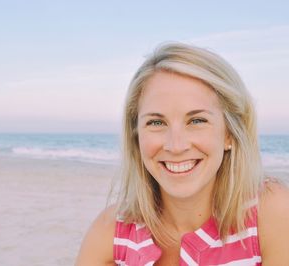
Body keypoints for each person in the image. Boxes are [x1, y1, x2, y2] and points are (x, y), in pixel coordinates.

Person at [75, 43, 289, 265]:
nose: (176, 146)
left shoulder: (272, 214)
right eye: (156, 122)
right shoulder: (109, 235)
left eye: (197, 120)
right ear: (136, 136)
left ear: (229, 134)